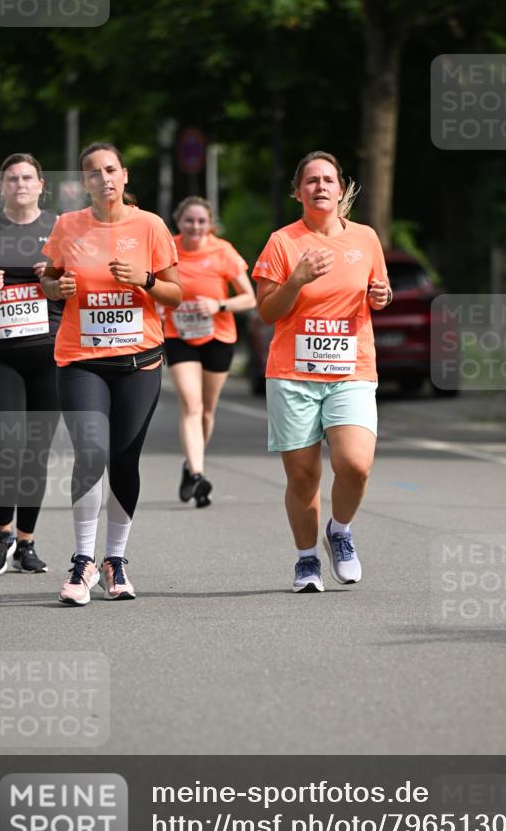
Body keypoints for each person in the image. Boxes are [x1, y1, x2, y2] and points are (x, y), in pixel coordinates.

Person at [41, 142, 181, 606]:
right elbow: (48, 279)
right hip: (82, 359)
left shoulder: (150, 226)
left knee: (123, 460)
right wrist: (55, 287)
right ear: (84, 183)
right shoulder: (68, 225)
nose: (103, 179)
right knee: (91, 452)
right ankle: (82, 562)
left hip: (139, 361)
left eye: (110, 170)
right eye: (93, 173)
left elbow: (176, 294)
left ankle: (114, 561)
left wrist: (144, 279)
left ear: (124, 176)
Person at [252, 151, 391, 593]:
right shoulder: (282, 243)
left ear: (340, 187)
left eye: (328, 179)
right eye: (311, 181)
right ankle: (306, 558)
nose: (320, 187)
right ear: (298, 192)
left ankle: (340, 530)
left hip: (352, 369)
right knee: (304, 475)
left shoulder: (366, 238)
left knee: (356, 465)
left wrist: (381, 296)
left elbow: (375, 293)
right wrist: (296, 279)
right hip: (293, 374)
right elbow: (267, 312)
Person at [0, 154, 62, 573]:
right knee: (7, 446)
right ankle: (3, 531)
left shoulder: (60, 228)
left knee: (36, 449)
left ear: (41, 185)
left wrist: (54, 280)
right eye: (11, 179)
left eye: (27, 178)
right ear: (1, 187)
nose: (20, 184)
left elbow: (78, 286)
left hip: (50, 353)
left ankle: (27, 542)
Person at [163, 197, 255, 506]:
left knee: (207, 411)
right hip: (178, 336)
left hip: (218, 335)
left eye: (201, 221)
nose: (195, 226)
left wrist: (218, 305)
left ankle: (190, 465)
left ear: (210, 224)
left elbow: (250, 298)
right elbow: (151, 287)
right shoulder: (167, 249)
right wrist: (159, 307)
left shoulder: (223, 251)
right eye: (189, 220)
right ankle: (200, 474)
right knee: (191, 404)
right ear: (179, 221)